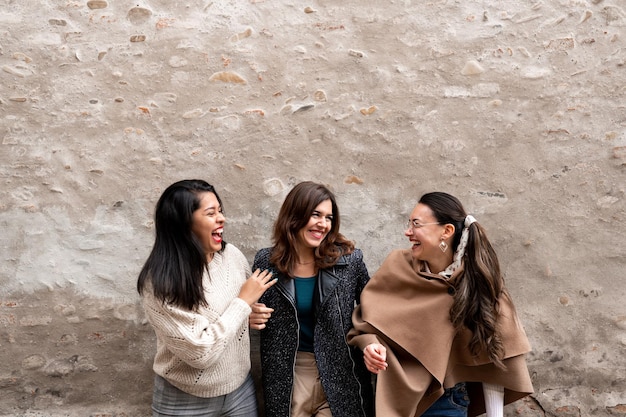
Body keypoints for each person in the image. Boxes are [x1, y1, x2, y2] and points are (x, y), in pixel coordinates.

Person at [347, 191, 533, 417]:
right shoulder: (397, 267)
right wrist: (369, 345)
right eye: (409, 223)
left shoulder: (478, 284)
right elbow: (365, 323)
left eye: (416, 224)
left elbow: (494, 363)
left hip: (448, 404)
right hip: (395, 399)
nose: (408, 232)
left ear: (446, 231)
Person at [137, 179, 277, 417]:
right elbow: (200, 353)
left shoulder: (232, 256)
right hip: (184, 401)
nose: (221, 218)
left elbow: (229, 314)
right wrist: (242, 304)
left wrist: (248, 314)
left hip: (240, 392)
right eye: (211, 213)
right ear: (184, 224)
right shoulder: (160, 283)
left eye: (220, 211)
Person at [249, 181, 374, 417]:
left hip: (340, 371)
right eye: (315, 214)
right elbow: (250, 308)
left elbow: (374, 311)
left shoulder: (349, 261)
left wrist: (372, 344)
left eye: (328, 217)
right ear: (294, 215)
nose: (323, 224)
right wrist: (250, 314)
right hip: (290, 373)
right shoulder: (267, 261)